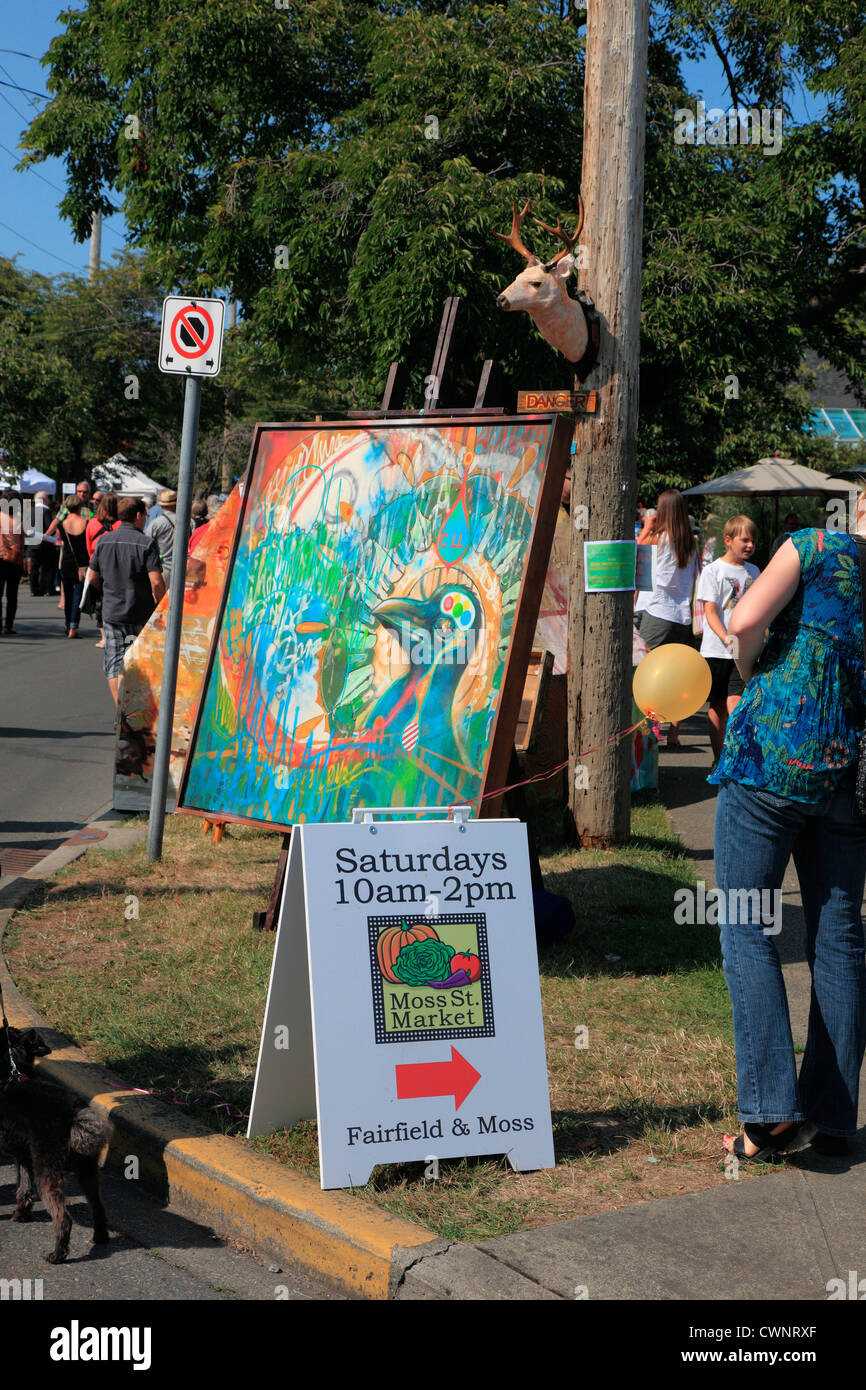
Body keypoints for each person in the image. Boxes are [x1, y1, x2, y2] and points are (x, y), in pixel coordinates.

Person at [710, 502, 866, 1162]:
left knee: (747, 924)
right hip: (850, 777)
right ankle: (831, 1119)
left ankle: (772, 1113)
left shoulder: (817, 545)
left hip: (771, 758)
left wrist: (750, 673)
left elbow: (743, 620)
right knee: (839, 937)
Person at [634, 489, 699, 747]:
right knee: (677, 674)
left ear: (663, 513)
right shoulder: (690, 542)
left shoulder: (658, 538)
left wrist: (646, 528)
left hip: (657, 611)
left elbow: (633, 557)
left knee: (645, 671)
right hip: (682, 616)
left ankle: (649, 732)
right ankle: (673, 734)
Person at [86, 496, 165, 702]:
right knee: (140, 662)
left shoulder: (104, 541)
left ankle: (121, 710)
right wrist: (162, 605)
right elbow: (156, 582)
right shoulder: (146, 543)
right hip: (141, 610)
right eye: (145, 515)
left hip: (113, 610)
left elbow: (92, 576)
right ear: (138, 515)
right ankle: (137, 709)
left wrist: (108, 588)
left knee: (114, 663)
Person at [698, 515, 760, 760]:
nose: (750, 545)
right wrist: (726, 637)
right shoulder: (712, 571)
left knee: (736, 704)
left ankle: (735, 758)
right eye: (745, 540)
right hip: (716, 650)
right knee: (718, 706)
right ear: (728, 540)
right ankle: (719, 758)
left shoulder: (754, 571)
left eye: (753, 540)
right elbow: (711, 611)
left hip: (743, 651)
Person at [86, 493, 120, 648]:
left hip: (98, 567)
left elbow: (88, 546)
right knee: (117, 602)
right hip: (117, 569)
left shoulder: (92, 523)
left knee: (100, 603)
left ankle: (103, 637)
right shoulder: (120, 524)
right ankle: (115, 634)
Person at [58, 495, 89, 637]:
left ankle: (67, 623)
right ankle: (73, 627)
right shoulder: (86, 523)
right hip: (82, 563)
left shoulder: (62, 524)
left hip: (66, 562)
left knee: (68, 596)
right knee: (78, 594)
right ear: (80, 507)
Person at [0, 488, 25, 634]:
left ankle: (2, 623)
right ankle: (8, 625)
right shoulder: (18, 521)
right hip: (14, 561)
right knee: (12, 595)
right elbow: (22, 541)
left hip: (2, 558)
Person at [146, 488, 181, 587]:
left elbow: (147, 545)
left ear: (161, 505)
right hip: (184, 570)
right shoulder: (190, 522)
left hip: (163, 570)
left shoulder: (155, 523)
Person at [25, 491, 57, 596]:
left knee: (34, 567)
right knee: (47, 567)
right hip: (44, 543)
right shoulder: (46, 511)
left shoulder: (30, 511)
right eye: (48, 498)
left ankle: (34, 589)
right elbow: (49, 527)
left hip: (32, 542)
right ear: (44, 499)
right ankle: (46, 588)